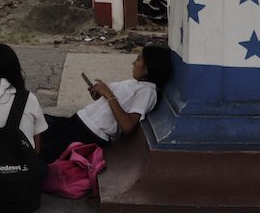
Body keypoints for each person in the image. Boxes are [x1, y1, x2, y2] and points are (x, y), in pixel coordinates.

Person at [39, 43, 173, 163]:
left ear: (148, 69)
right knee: (40, 124)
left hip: (89, 133)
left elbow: (127, 125)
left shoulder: (148, 92)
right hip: (80, 122)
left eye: (138, 59)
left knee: (44, 146)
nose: (133, 63)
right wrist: (100, 96)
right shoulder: (137, 84)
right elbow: (114, 106)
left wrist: (108, 94)